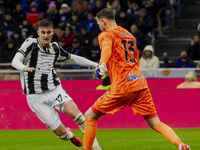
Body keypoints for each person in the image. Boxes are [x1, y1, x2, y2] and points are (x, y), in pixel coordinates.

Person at [83, 8, 191, 150]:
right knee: (155, 122)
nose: (99, 27)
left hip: (122, 86)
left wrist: (102, 63)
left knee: (89, 116)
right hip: (140, 83)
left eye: (98, 24)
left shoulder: (106, 34)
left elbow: (107, 49)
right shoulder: (129, 35)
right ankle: (180, 144)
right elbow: (130, 62)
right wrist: (108, 70)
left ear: (103, 21)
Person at [11, 18, 101, 150]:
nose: (46, 35)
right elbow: (15, 61)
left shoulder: (55, 48)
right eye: (43, 32)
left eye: (48, 32)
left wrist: (95, 65)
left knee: (80, 118)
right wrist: (24, 68)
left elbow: (73, 58)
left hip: (54, 91)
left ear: (53, 32)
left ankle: (97, 148)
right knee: (62, 134)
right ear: (38, 32)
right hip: (35, 98)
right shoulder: (30, 43)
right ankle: (69, 135)